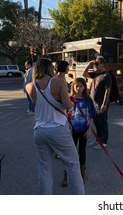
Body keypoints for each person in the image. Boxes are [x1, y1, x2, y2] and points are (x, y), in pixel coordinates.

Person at [25, 58, 84, 195]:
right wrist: (72, 100)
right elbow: (68, 105)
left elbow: (37, 103)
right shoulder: (59, 82)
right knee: (72, 166)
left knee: (44, 170)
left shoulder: (30, 86)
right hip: (57, 128)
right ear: (50, 67)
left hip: (39, 130)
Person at [61, 77, 96, 186]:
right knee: (70, 153)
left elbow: (91, 115)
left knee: (82, 151)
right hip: (72, 130)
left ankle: (82, 173)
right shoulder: (70, 99)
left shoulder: (88, 99)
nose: (79, 88)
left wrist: (90, 129)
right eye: (77, 86)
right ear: (73, 87)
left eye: (81, 86)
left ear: (84, 87)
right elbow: (64, 113)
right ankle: (66, 175)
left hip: (84, 129)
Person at [82, 56, 112, 149]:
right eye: (95, 63)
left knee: (103, 122)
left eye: (97, 63)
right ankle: (98, 140)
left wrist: (104, 104)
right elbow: (84, 74)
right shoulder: (95, 74)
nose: (96, 65)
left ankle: (104, 141)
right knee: (96, 122)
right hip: (93, 103)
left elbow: (107, 91)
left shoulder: (106, 76)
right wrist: (89, 64)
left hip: (101, 103)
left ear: (103, 65)